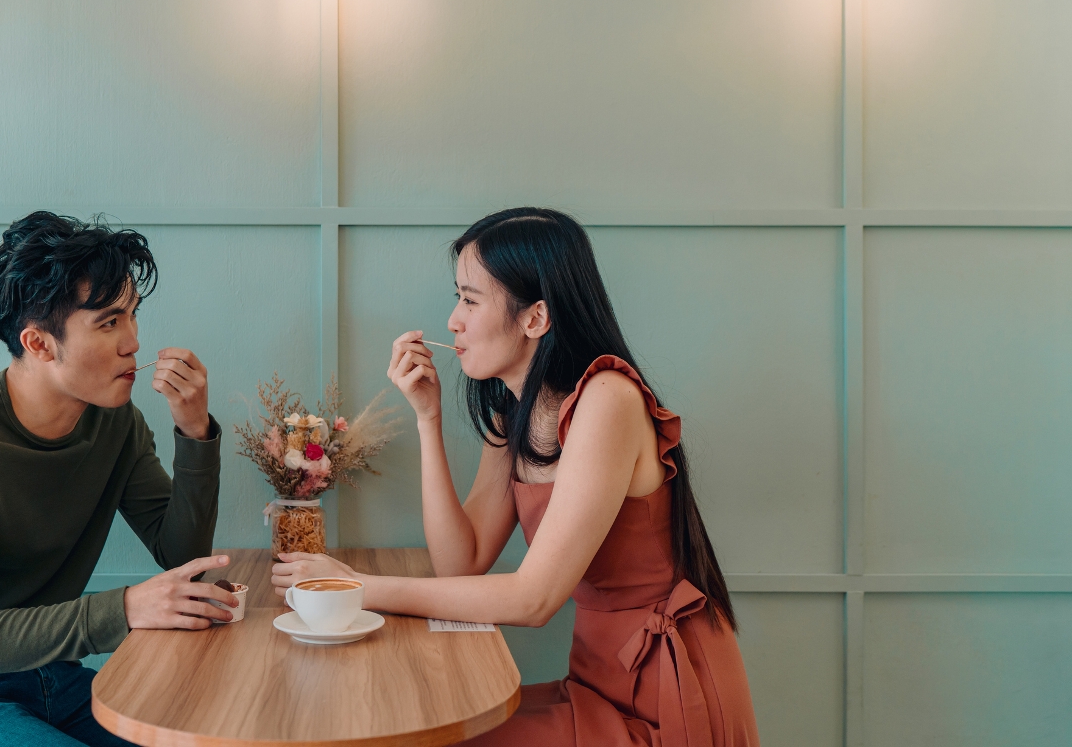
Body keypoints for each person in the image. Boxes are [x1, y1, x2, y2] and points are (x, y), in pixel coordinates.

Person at [273, 207, 759, 746]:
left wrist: (358, 589)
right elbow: (462, 563)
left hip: (666, 699)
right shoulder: (516, 412)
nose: (453, 320)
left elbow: (533, 600)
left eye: (470, 299)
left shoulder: (607, 401)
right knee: (415, 727)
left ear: (535, 319)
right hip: (598, 683)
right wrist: (427, 419)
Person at [0, 212, 236, 747]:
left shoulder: (116, 422)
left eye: (133, 315)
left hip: (47, 676)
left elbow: (178, 549)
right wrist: (127, 607)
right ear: (39, 343)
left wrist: (195, 431)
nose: (133, 342)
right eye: (109, 322)